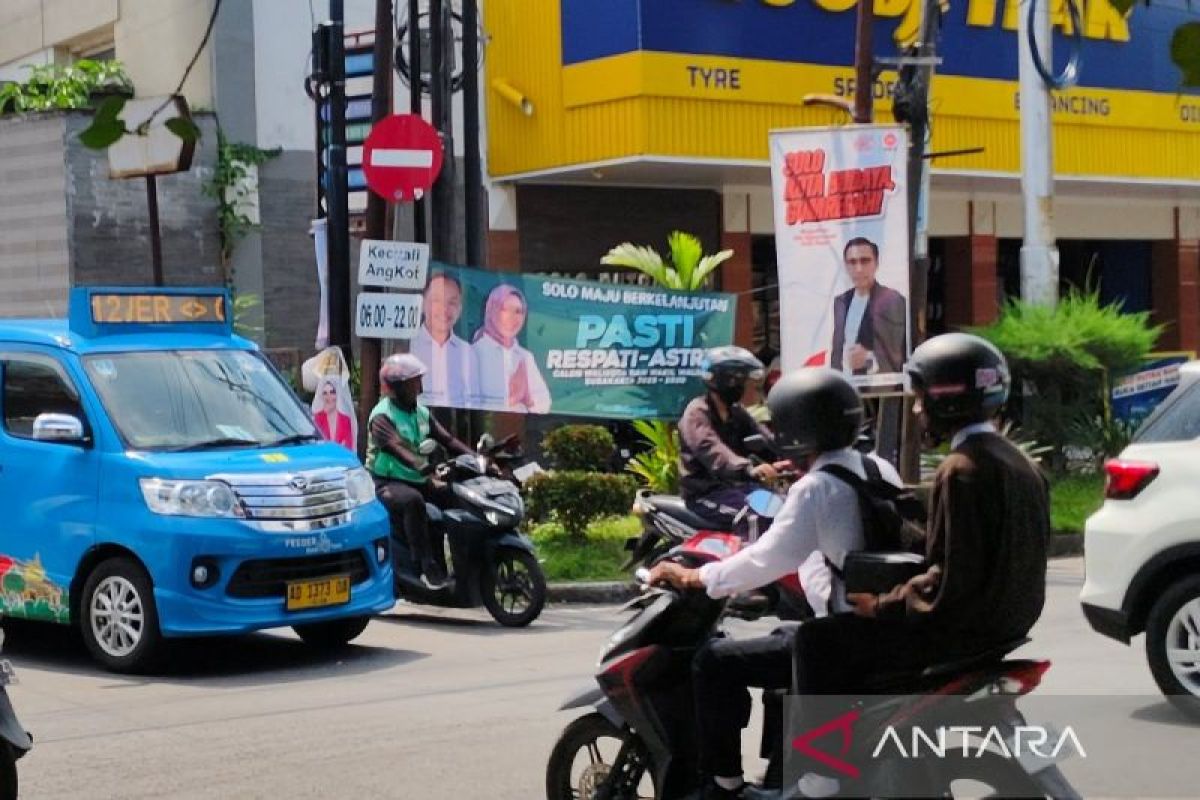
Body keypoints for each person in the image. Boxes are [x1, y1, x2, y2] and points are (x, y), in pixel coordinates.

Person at [783, 333, 1049, 797]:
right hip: (1003, 626)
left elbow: (950, 580)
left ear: (948, 401)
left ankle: (822, 773)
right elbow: (966, 551)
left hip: (957, 631)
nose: (918, 410)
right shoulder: (1020, 463)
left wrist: (881, 606)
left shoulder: (962, 469)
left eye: (922, 399)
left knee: (816, 641)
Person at [650, 367, 902, 799]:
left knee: (714, 660)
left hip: (840, 640)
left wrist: (696, 576)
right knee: (783, 639)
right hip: (881, 629)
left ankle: (724, 785)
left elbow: (768, 558)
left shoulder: (817, 487)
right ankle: (779, 773)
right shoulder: (878, 468)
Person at [365, 354, 474, 590]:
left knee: (457, 495)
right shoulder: (382, 416)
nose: (419, 385)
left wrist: (477, 460)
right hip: (385, 482)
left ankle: (465, 562)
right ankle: (425, 567)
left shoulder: (421, 413)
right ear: (397, 387)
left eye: (418, 380)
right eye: (413, 381)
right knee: (413, 501)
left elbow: (448, 440)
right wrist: (425, 468)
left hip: (418, 478)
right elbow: (397, 448)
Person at [679, 346, 779, 532]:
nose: (754, 389)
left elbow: (766, 439)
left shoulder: (736, 412)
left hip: (738, 489)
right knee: (755, 516)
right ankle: (748, 562)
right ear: (729, 383)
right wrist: (748, 468)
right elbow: (712, 449)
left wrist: (795, 455)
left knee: (782, 508)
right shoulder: (697, 413)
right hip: (706, 494)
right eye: (747, 383)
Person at [830, 237, 907, 376]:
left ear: (876, 264)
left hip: (877, 390)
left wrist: (869, 359)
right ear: (846, 266)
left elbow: (898, 352)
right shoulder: (840, 301)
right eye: (852, 262)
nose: (858, 269)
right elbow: (837, 350)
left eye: (865, 261)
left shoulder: (891, 299)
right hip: (843, 387)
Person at [471, 284, 551, 414]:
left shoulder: (525, 356)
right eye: (504, 309)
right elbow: (467, 403)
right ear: (491, 310)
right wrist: (513, 398)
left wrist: (528, 398)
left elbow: (544, 403)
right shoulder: (473, 353)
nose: (512, 317)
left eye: (518, 311)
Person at [410, 272, 477, 408]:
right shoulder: (409, 346)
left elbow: (474, 400)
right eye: (436, 301)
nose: (444, 309)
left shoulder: (468, 352)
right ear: (422, 304)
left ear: (460, 309)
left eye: (452, 303)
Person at [312, 377, 354, 450]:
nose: (329, 397)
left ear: (337, 395)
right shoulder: (317, 418)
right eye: (325, 393)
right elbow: (314, 444)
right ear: (321, 396)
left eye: (332, 392)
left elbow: (348, 447)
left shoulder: (345, 420)